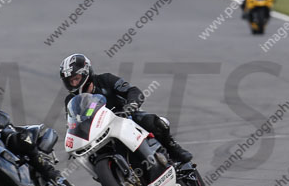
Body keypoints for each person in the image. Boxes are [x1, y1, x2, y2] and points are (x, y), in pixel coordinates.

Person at [59, 54, 192, 163]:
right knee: (90, 158)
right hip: (98, 133)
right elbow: (72, 124)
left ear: (86, 73)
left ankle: (173, 148)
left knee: (152, 122)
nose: (74, 83)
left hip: (125, 117)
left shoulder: (105, 79)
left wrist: (131, 105)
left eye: (76, 78)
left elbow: (133, 91)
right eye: (70, 81)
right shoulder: (70, 101)